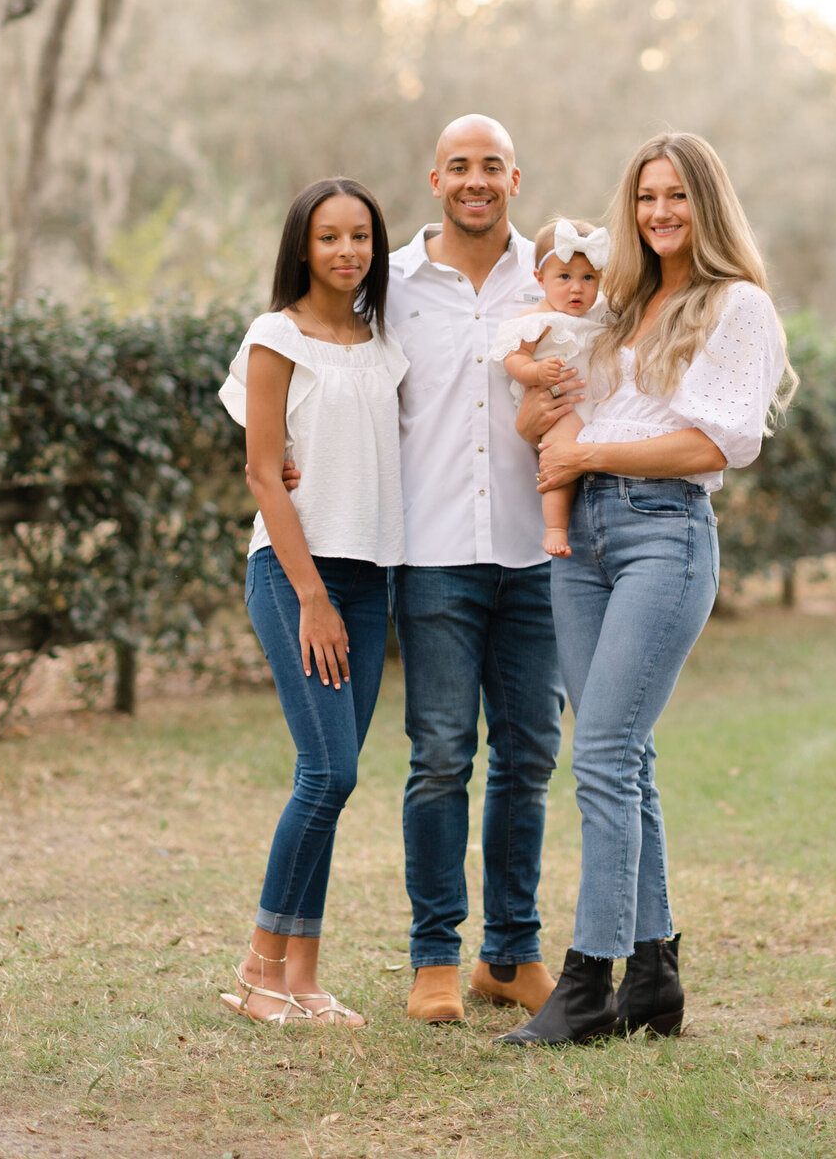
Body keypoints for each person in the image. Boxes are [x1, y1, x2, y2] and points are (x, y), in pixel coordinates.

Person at [500, 132, 795, 1047]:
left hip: (662, 534)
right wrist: (545, 418)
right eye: (644, 197)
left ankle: (587, 984)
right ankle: (655, 976)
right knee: (624, 757)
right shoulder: (623, 303)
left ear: (707, 203)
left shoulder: (735, 307)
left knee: (602, 758)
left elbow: (714, 445)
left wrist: (589, 449)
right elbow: (553, 404)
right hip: (579, 536)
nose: (659, 212)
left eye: (676, 196)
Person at [384, 114, 569, 1025]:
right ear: (435, 179)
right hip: (435, 557)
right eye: (460, 166)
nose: (476, 180)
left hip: (539, 557)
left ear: (515, 178)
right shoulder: (394, 283)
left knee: (529, 757)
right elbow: (334, 372)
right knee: (441, 757)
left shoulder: (558, 276)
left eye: (491, 166)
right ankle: (432, 958)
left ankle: (510, 953)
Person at [218, 178, 407, 1028]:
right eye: (330, 237)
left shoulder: (382, 342)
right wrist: (310, 597)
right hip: (297, 576)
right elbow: (265, 470)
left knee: (329, 784)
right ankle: (258, 972)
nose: (347, 252)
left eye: (360, 237)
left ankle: (303, 980)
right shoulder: (275, 337)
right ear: (303, 246)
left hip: (373, 577)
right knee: (329, 772)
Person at [490, 217, 609, 556]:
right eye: (564, 277)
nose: (577, 288)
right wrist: (537, 372)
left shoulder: (598, 313)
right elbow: (514, 359)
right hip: (560, 407)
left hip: (594, 403)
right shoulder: (536, 320)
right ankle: (555, 527)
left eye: (589, 278)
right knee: (559, 457)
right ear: (540, 279)